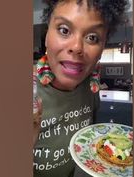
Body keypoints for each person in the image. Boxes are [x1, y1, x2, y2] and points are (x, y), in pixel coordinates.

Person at [33, 0, 127, 176]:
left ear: (102, 48)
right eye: (64, 30)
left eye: (92, 37)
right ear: (46, 36)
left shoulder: (91, 88)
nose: (77, 48)